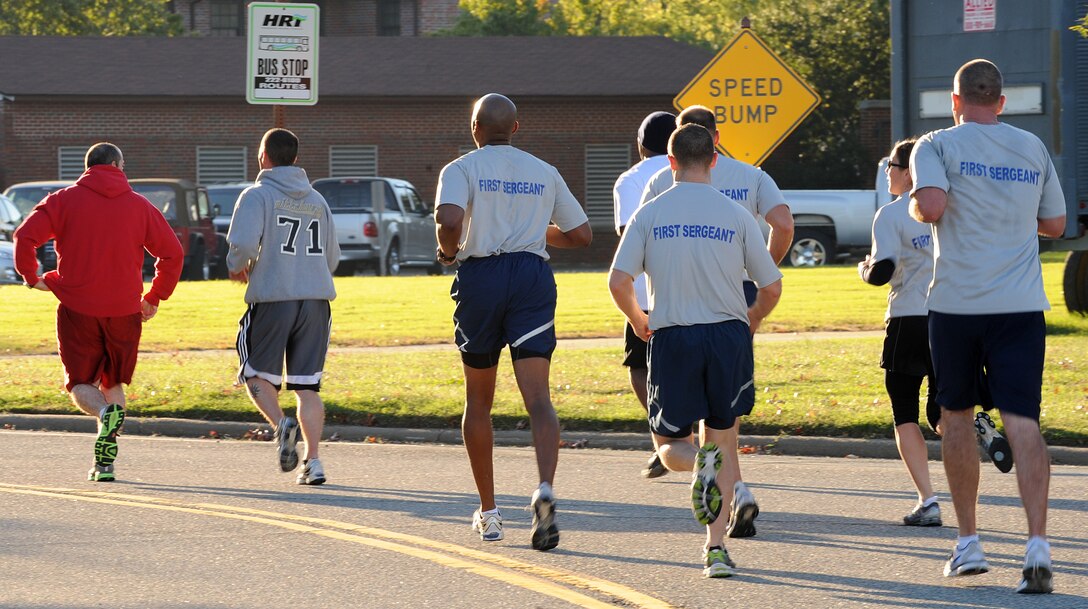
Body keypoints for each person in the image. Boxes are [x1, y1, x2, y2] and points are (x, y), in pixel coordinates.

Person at [910, 59, 1066, 594]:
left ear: (956, 101)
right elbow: (1055, 224)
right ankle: (1038, 546)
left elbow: (930, 207)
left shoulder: (935, 144)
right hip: (1020, 303)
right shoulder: (1032, 148)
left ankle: (969, 542)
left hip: (956, 304)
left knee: (956, 416)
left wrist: (916, 205)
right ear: (1001, 101)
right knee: (1022, 420)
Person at [609, 124, 783, 578]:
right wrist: (752, 318)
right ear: (714, 160)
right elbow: (771, 285)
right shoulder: (737, 214)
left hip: (673, 335)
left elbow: (618, 281)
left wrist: (637, 319)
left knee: (669, 445)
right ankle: (716, 549)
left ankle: (697, 465)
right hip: (726, 336)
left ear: (670, 163)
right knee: (723, 438)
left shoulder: (649, 213)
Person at [435, 93, 592, 551]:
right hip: (531, 277)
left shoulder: (460, 168)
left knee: (479, 401)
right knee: (539, 399)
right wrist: (532, 229)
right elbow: (581, 235)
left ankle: (489, 512)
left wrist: (448, 251)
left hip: (482, 278)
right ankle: (544, 488)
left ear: (474, 128)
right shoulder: (544, 171)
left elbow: (448, 218)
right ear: (517, 128)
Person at [639, 104, 794, 538]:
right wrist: (761, 267)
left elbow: (637, 243)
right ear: (716, 140)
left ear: (676, 147)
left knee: (678, 430)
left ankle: (735, 489)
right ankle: (733, 496)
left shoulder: (659, 181)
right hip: (740, 293)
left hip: (678, 300)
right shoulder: (751, 176)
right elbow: (783, 223)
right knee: (724, 405)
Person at [12, 142, 183, 482]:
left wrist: (32, 278)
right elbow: (172, 254)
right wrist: (154, 296)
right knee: (112, 380)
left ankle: (106, 415)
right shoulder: (140, 206)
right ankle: (105, 462)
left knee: (80, 382)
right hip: (125, 310)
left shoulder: (62, 201)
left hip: (78, 307)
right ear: (118, 166)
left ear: (88, 167)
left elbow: (24, 237)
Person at [227, 128, 341, 486]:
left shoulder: (257, 195)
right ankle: (314, 461)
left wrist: (237, 266)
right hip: (316, 301)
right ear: (295, 158)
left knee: (254, 372)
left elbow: (242, 243)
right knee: (308, 386)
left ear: (264, 156)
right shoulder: (318, 200)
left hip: (274, 297)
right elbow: (333, 256)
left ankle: (281, 425)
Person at [858, 138, 943, 526]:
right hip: (950, 316)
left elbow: (883, 272)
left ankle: (928, 500)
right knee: (946, 407)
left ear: (909, 171)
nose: (888, 172)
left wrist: (864, 268)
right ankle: (977, 423)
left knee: (904, 410)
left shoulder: (891, 215)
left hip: (909, 318)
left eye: (892, 165)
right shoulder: (948, 207)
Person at [612, 110, 676, 479]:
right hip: (691, 286)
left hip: (644, 292)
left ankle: (663, 433)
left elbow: (627, 234)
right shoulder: (694, 170)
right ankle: (685, 437)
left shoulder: (630, 179)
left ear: (640, 145)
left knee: (641, 366)